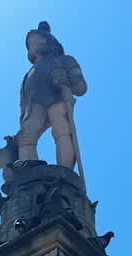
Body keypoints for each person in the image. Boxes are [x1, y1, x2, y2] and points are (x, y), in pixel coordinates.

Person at [12, 22, 87, 169]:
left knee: (63, 129)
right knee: (26, 138)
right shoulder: (27, 77)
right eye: (31, 42)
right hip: (33, 107)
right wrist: (22, 119)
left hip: (57, 98)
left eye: (40, 39)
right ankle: (29, 174)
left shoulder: (63, 60)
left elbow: (81, 88)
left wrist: (66, 80)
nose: (35, 44)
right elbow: (23, 103)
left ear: (50, 43)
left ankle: (65, 171)